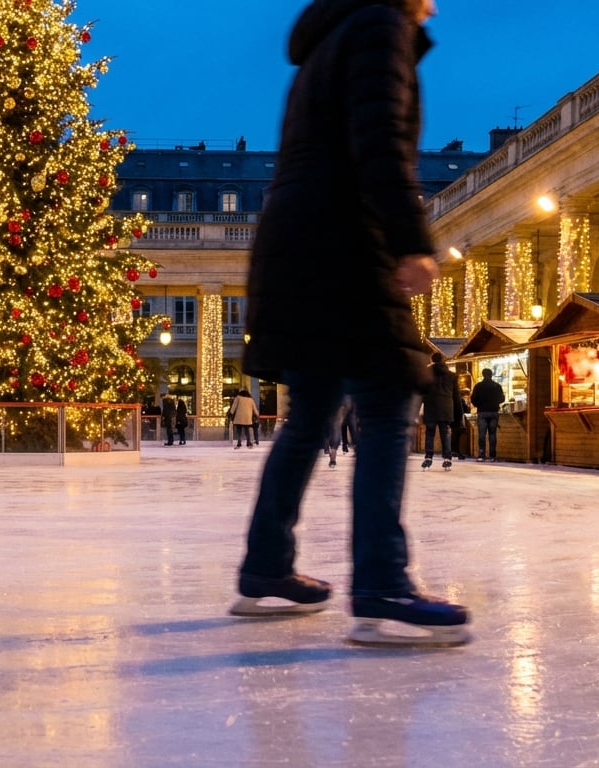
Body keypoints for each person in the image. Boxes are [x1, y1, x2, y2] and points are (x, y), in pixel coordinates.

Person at [232, 0, 469, 646]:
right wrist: (410, 240)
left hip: (299, 245)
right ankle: (382, 582)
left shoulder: (329, 39)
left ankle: (265, 565)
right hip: (341, 243)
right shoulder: (377, 26)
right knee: (390, 400)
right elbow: (380, 140)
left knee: (309, 416)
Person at [420, 352, 459, 470]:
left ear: (432, 360)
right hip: (446, 409)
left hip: (431, 407)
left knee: (430, 433)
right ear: (443, 360)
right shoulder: (452, 376)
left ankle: (428, 457)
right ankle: (447, 458)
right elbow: (456, 396)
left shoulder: (425, 374)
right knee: (445, 433)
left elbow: (421, 394)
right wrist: (458, 414)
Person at [470, 367, 504, 462]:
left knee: (482, 434)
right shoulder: (497, 386)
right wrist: (494, 403)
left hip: (482, 412)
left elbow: (473, 399)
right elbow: (502, 399)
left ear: (483, 375)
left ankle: (481, 455)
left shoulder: (478, 386)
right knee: (492, 434)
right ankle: (493, 456)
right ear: (491, 375)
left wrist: (478, 405)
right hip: (493, 412)